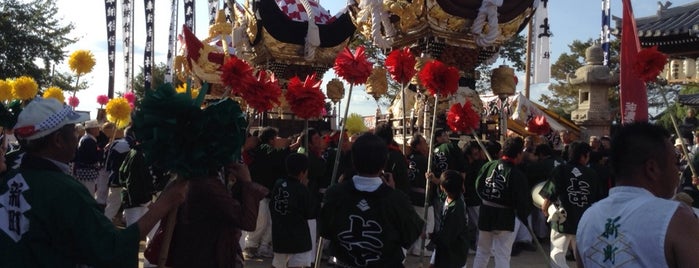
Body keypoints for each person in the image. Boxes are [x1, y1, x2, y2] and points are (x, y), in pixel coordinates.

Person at [0, 97, 186, 267]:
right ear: (58, 140)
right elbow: (112, 248)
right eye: (73, 131)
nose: (76, 137)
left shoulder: (8, 178)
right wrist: (165, 203)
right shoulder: (63, 190)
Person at [576, 122, 699, 267]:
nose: (677, 170)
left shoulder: (587, 218)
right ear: (652, 168)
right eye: (674, 163)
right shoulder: (677, 218)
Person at [319, 133, 424, 267]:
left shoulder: (334, 194)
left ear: (353, 159)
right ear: (384, 162)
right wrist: (392, 193)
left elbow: (324, 230)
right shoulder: (397, 199)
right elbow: (410, 236)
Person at [540, 141, 602, 268]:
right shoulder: (592, 174)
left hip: (562, 218)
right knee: (584, 257)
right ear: (584, 156)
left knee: (557, 253)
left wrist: (545, 209)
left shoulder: (560, 170)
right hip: (584, 220)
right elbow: (598, 200)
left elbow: (550, 194)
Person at [473, 136, 532, 268]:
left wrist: (486, 199)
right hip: (504, 217)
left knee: (482, 251)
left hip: (486, 213)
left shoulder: (489, 165)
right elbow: (522, 200)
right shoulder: (516, 174)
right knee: (502, 254)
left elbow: (478, 186)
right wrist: (523, 215)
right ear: (518, 154)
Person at [270, 153, 313, 268]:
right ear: (302, 172)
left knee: (278, 264)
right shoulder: (302, 190)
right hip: (299, 238)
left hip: (279, 235)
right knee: (299, 265)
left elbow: (272, 206)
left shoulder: (278, 184)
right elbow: (310, 212)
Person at [428, 170, 469, 268]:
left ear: (443, 188)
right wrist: (433, 179)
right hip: (446, 250)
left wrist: (430, 236)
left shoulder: (456, 209)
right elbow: (442, 196)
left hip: (453, 254)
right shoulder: (450, 197)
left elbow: (447, 236)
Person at [406, 133, 435, 256]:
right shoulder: (423, 160)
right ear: (417, 146)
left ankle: (414, 247)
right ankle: (419, 248)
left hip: (412, 195)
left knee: (416, 223)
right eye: (423, 143)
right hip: (422, 195)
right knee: (429, 223)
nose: (426, 145)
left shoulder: (410, 158)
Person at [73, 119, 102, 198]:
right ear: (92, 129)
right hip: (87, 172)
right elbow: (92, 158)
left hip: (84, 171)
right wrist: (101, 153)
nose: (99, 130)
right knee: (88, 195)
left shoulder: (86, 139)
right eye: (97, 128)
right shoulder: (88, 140)